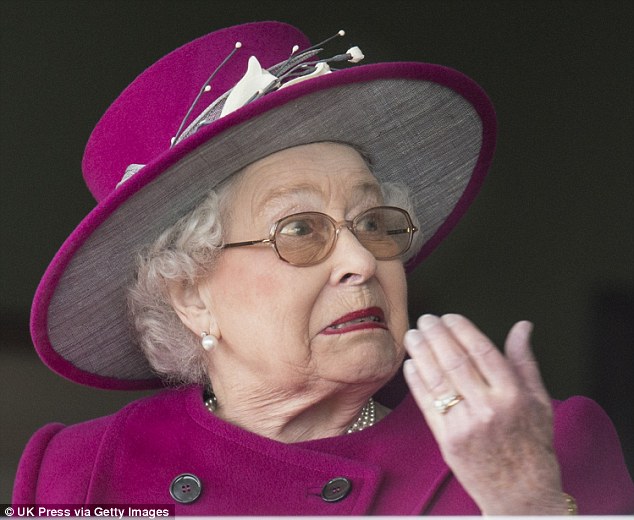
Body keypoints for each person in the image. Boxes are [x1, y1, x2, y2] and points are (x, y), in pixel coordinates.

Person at [12, 21, 633, 515]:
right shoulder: (74, 471)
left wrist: (526, 505)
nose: (362, 261)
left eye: (373, 223)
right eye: (300, 231)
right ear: (191, 295)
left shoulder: (539, 450)